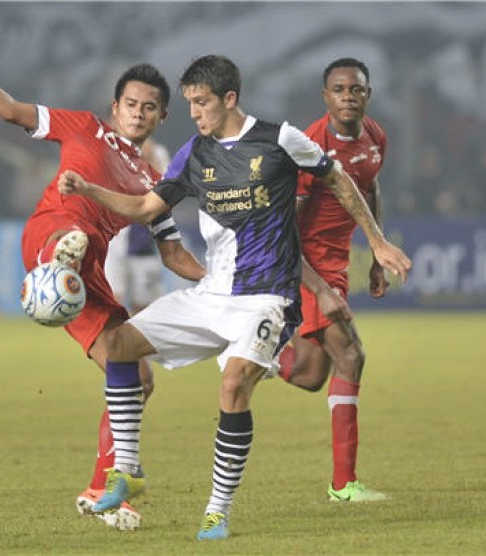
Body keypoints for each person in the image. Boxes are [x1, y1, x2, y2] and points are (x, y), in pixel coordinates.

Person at [57, 55, 412, 540]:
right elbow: (144, 206)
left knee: (233, 386)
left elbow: (341, 182)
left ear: (229, 99)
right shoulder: (192, 154)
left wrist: (376, 241)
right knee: (117, 344)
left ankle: (217, 510)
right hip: (211, 294)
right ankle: (129, 470)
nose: (195, 113)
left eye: (201, 102)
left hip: (266, 299)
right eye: (189, 104)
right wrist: (88, 189)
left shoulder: (282, 139)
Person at [0, 22, 205, 531]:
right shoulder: (81, 126)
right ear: (115, 107)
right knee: (70, 231)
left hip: (90, 271)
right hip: (51, 231)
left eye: (148, 108)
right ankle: (59, 262)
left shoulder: (154, 185)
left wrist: (220, 285)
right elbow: (9, 110)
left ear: (161, 116)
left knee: (136, 376)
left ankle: (104, 491)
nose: (138, 113)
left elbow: (174, 255)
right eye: (130, 104)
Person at [276, 57, 393, 503]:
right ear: (326, 96)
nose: (348, 96)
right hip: (306, 264)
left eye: (356, 89)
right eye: (340, 90)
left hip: (338, 263)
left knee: (308, 375)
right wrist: (317, 286)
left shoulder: (375, 136)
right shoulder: (311, 147)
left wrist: (376, 253)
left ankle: (254, 353)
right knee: (352, 354)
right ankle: (344, 484)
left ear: (368, 94)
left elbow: (370, 189)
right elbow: (289, 224)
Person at [104, 138, 171, 314]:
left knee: (144, 311)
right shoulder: (109, 149)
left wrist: (148, 158)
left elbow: (168, 191)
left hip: (145, 245)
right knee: (112, 303)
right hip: (114, 244)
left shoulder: (158, 152)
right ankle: (113, 341)